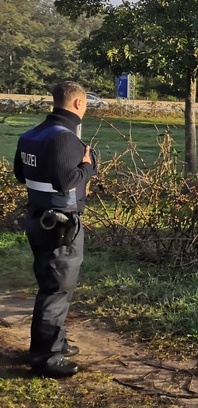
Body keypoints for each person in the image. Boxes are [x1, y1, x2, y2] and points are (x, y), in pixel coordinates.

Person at [14, 81, 97, 378]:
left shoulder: (31, 135)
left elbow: (20, 174)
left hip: (37, 218)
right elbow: (67, 180)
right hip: (61, 225)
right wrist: (89, 165)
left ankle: (55, 342)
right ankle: (46, 357)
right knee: (57, 289)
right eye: (85, 104)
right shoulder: (66, 139)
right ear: (77, 104)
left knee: (51, 283)